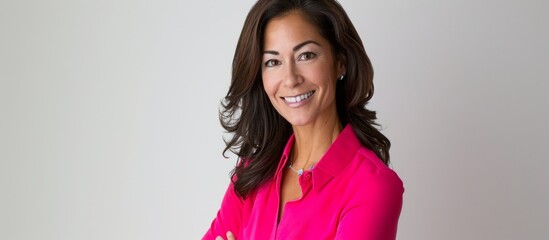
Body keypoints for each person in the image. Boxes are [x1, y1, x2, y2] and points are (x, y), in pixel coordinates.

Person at [203, 0, 404, 239]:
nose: (290, 79)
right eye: (273, 62)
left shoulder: (372, 187)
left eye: (306, 55)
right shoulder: (252, 171)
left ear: (340, 62)